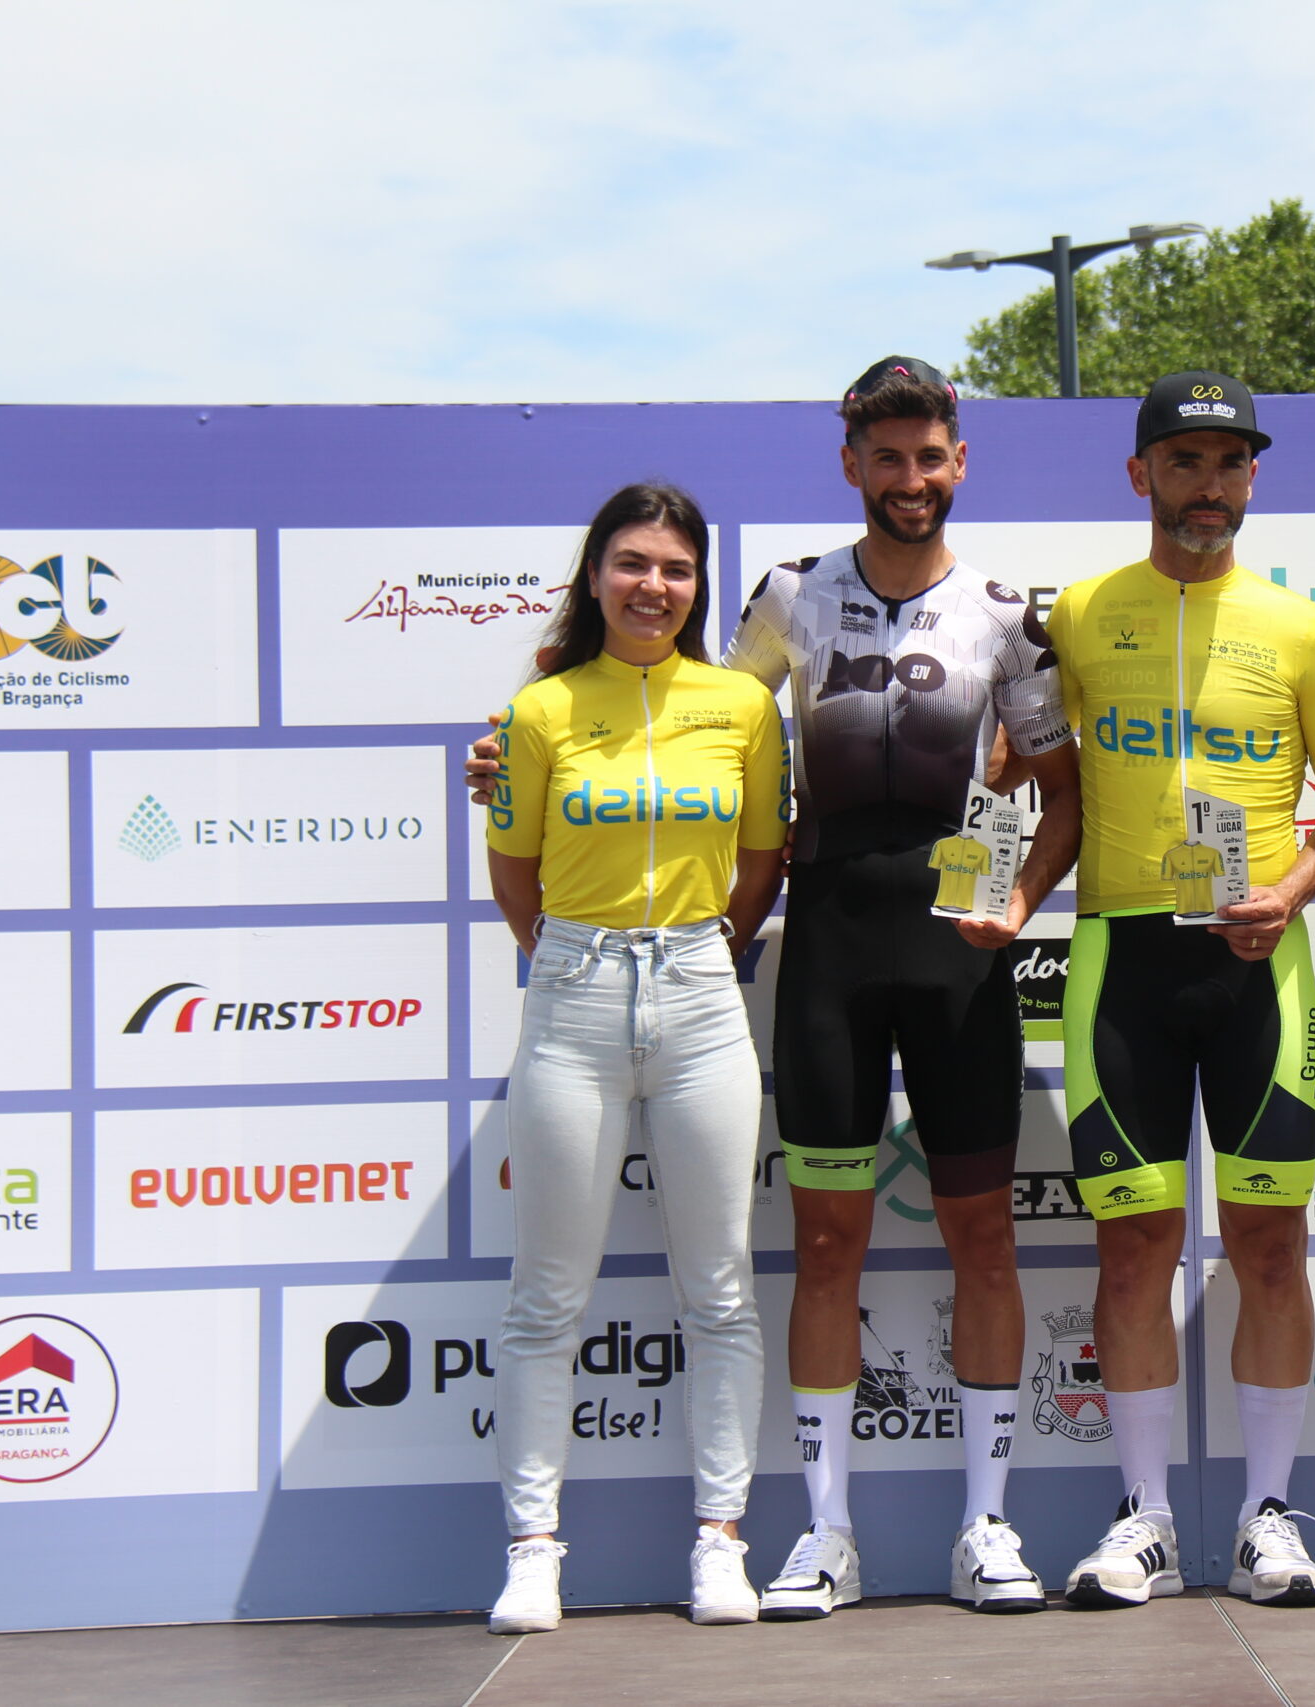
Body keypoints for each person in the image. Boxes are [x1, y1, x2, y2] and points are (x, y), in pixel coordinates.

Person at [466, 358, 1081, 1618]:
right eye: (886, 458)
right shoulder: (788, 597)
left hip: (961, 949)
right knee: (821, 1241)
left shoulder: (1012, 617)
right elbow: (689, 727)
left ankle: (988, 1526)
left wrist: (1018, 907)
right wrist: (508, 750)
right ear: (850, 464)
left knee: (983, 1236)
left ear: (959, 463)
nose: (909, 480)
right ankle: (827, 1534)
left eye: (929, 457)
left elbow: (1061, 792)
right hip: (831, 954)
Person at [1049, 371, 1315, 1611]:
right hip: (1120, 957)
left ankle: (1269, 1521)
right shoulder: (1073, 614)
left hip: (1254, 961)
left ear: (1252, 480)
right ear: (1140, 478)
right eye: (1183, 462)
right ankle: (1146, 1519)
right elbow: (1027, 765)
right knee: (1134, 1249)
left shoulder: (1307, 630)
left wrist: (1287, 891)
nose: (1207, 487)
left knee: (1270, 1243)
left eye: (1229, 463)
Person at [481, 482, 789, 1633]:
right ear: (594, 576)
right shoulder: (542, 710)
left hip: (705, 997)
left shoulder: (741, 706)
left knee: (718, 1292)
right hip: (571, 997)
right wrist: (575, 956)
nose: (652, 587)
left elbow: (761, 858)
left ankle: (719, 1542)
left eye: (674, 568)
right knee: (544, 1299)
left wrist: (699, 951)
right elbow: (515, 874)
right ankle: (531, 1550)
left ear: (698, 584)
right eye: (631, 565)